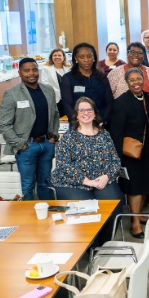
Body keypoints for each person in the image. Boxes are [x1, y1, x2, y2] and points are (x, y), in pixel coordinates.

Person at [50, 97, 123, 244]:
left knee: (114, 205)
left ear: (95, 114)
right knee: (86, 209)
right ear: (76, 114)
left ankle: (104, 243)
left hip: (101, 179)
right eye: (81, 110)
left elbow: (115, 160)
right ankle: (90, 245)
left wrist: (107, 176)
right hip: (73, 182)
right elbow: (63, 165)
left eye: (89, 109)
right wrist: (86, 181)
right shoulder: (69, 137)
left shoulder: (104, 135)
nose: (86, 113)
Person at [109, 68, 149, 238]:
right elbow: (116, 132)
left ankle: (137, 214)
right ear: (126, 82)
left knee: (145, 185)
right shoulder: (121, 102)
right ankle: (134, 222)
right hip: (131, 153)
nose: (136, 82)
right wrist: (118, 157)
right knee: (134, 189)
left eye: (139, 79)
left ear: (144, 79)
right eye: (131, 80)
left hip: (148, 151)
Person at [0, 57, 59, 200]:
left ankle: (47, 216)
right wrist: (20, 144)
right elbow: (3, 124)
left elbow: (55, 114)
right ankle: (28, 219)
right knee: (28, 185)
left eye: (34, 69)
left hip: (46, 143)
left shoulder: (48, 90)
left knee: (45, 183)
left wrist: (53, 137)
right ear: (19, 73)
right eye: (26, 70)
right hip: (26, 146)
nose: (31, 73)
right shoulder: (12, 93)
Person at [60, 42, 114, 126]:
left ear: (94, 57)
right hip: (78, 125)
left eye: (89, 56)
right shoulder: (68, 78)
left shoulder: (101, 77)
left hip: (102, 124)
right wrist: (79, 123)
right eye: (82, 57)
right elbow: (67, 106)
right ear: (76, 58)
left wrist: (103, 121)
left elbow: (109, 101)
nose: (86, 60)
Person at [40, 47, 71, 117]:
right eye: (55, 55)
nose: (57, 57)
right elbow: (45, 84)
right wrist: (61, 93)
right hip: (55, 99)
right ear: (51, 57)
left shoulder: (69, 68)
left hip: (68, 99)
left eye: (59, 55)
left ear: (63, 57)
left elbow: (72, 83)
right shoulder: (46, 69)